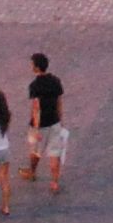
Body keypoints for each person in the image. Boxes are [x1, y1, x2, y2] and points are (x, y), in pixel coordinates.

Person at [22, 53, 70, 193]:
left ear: (36, 67)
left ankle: (32, 172)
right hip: (54, 122)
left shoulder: (35, 85)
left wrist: (36, 129)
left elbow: (36, 108)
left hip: (40, 125)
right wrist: (60, 121)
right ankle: (54, 183)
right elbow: (59, 103)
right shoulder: (56, 81)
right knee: (55, 154)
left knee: (35, 151)